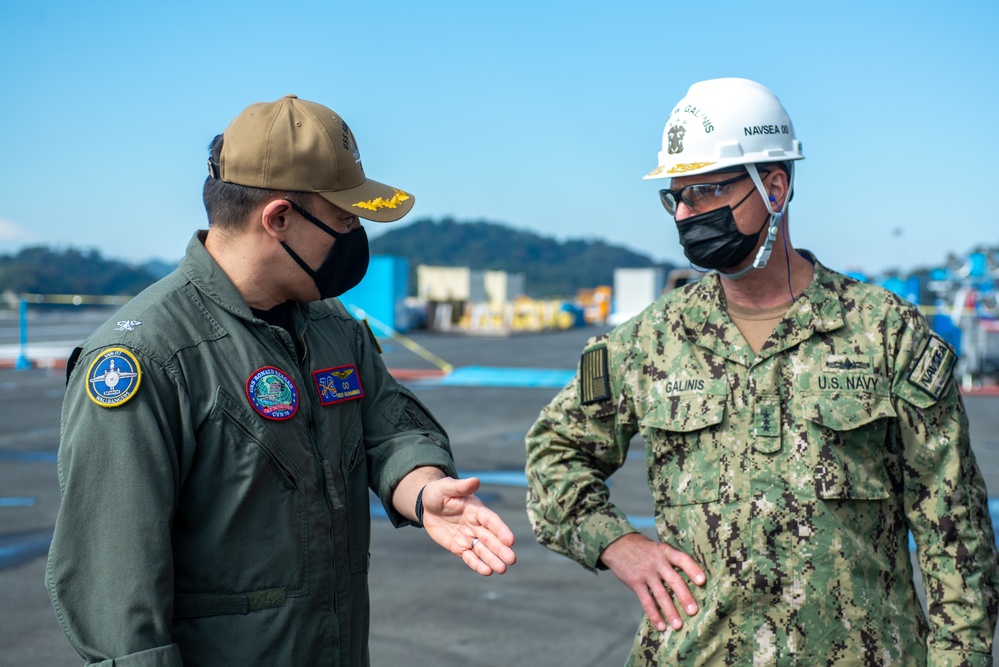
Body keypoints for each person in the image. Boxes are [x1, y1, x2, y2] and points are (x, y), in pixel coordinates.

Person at [525, 77, 999, 665]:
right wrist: (616, 543)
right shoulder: (648, 341)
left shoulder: (885, 332)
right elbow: (555, 453)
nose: (686, 213)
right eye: (676, 197)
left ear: (774, 187)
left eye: (705, 192)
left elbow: (953, 525)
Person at [46, 94, 516, 667]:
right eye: (345, 221)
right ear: (279, 219)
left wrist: (422, 489)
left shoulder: (330, 325)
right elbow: (113, 588)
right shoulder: (145, 359)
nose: (354, 238)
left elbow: (387, 428)